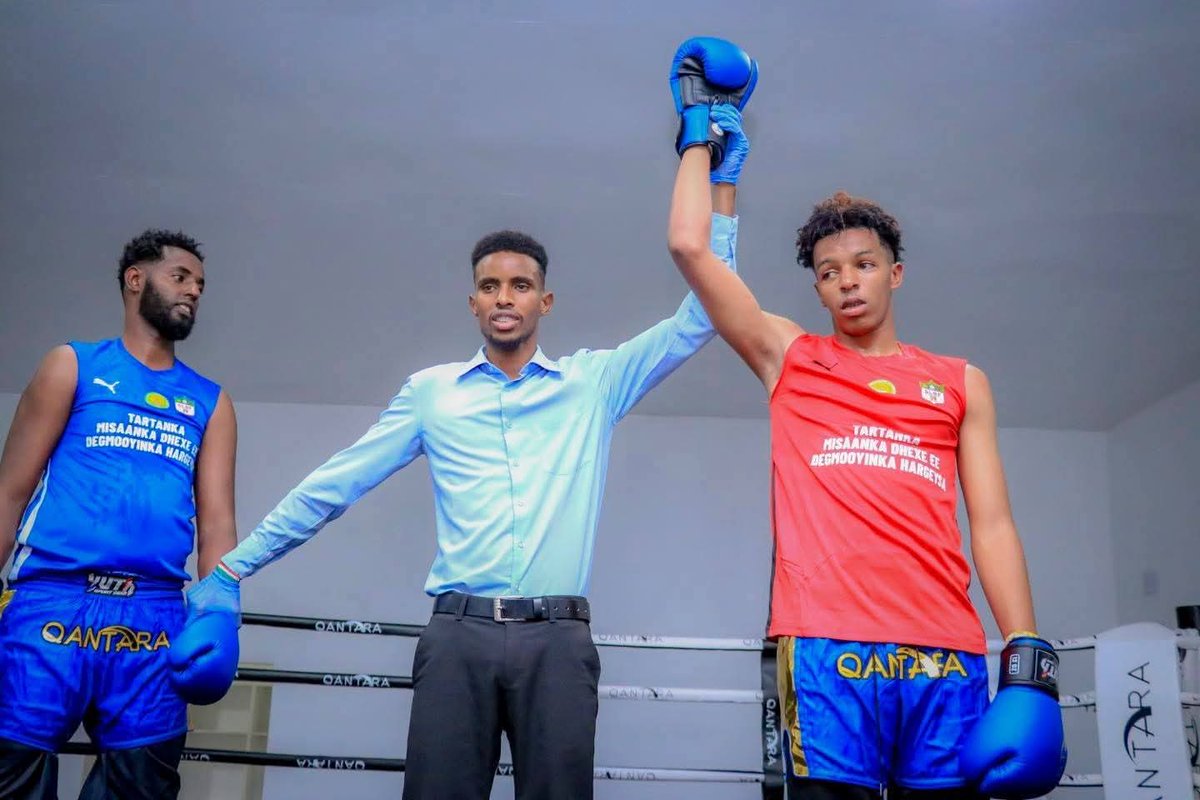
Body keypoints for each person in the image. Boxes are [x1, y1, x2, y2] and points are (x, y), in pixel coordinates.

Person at [172, 38, 756, 800]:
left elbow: (703, 315)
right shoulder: (432, 392)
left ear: (545, 302)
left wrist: (722, 184)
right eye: (490, 285)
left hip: (558, 638)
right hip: (457, 637)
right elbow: (334, 485)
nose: (505, 296)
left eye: (520, 284)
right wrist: (228, 572)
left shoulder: (595, 383)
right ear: (473, 301)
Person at [666, 101, 1067, 799]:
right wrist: (703, 146)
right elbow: (691, 250)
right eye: (829, 272)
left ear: (895, 273)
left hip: (945, 653)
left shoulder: (960, 382)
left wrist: (1027, 653)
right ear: (817, 289)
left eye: (863, 264)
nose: (847, 281)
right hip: (824, 649)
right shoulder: (789, 357)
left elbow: (993, 524)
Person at [0, 229, 239, 799]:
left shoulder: (211, 400)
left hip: (154, 616)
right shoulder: (73, 365)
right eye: (180, 277)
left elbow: (218, 525)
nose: (194, 292)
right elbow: (10, 489)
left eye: (200, 285)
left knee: (142, 788)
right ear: (136, 279)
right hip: (49, 600)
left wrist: (221, 613)